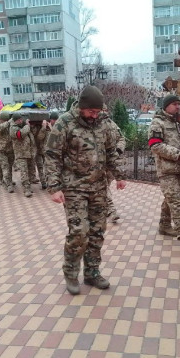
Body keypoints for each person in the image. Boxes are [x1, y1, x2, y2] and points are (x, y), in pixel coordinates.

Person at [44, 86, 127, 295]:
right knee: (79, 232)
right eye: (91, 111)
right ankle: (71, 273)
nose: (95, 115)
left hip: (98, 186)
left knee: (98, 231)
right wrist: (54, 187)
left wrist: (119, 175)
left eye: (98, 111)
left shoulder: (103, 123)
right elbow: (52, 155)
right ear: (82, 106)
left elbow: (110, 151)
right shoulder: (64, 123)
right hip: (74, 188)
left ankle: (92, 272)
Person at [148, 94, 180, 249]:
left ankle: (164, 225)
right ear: (166, 106)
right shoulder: (157, 123)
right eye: (174, 104)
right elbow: (155, 145)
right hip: (166, 170)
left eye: (179, 104)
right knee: (176, 201)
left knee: (170, 199)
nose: (178, 107)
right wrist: (178, 155)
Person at [101, 104, 126, 222]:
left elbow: (121, 138)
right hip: (99, 163)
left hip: (112, 161)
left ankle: (104, 208)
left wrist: (119, 149)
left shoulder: (112, 124)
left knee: (105, 186)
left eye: (106, 110)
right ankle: (111, 210)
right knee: (103, 187)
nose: (105, 112)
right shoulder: (94, 125)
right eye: (102, 110)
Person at [9, 113, 36, 197]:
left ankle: (29, 186)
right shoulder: (13, 128)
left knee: (31, 171)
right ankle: (26, 189)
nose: (21, 121)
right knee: (24, 172)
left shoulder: (23, 126)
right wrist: (27, 126)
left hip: (29, 153)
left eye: (21, 119)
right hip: (21, 154)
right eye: (19, 120)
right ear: (15, 120)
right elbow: (20, 135)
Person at [0, 111, 15, 192]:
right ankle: (8, 184)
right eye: (5, 120)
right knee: (4, 166)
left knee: (9, 166)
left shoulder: (10, 124)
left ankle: (8, 180)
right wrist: (8, 122)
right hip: (1, 150)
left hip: (10, 149)